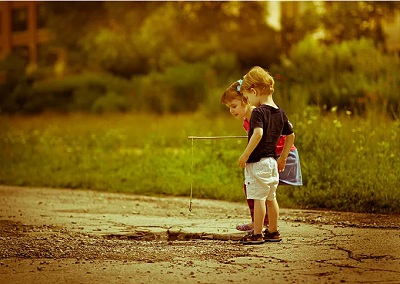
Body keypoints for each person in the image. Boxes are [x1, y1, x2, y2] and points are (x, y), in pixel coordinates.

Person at [221, 80, 302, 235]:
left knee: (261, 192)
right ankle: (265, 225)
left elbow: (265, 135)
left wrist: (246, 155)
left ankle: (260, 226)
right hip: (269, 156)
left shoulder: (259, 113)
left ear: (246, 99)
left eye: (234, 106)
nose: (231, 111)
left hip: (278, 153)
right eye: (229, 108)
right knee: (261, 192)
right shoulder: (247, 120)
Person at [238, 66, 295, 244]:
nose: (249, 101)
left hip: (258, 163)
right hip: (272, 162)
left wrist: (245, 155)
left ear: (254, 91)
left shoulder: (258, 112)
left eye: (247, 97)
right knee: (271, 199)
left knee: (258, 199)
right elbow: (291, 135)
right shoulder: (280, 112)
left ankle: (256, 234)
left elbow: (258, 134)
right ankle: (273, 231)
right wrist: (283, 157)